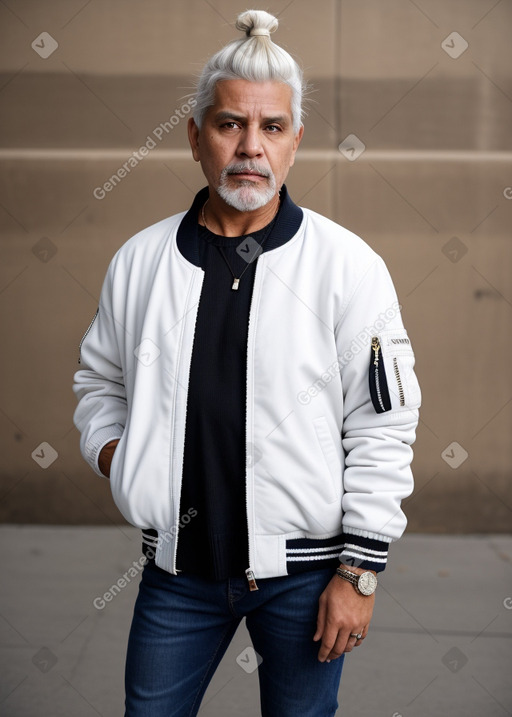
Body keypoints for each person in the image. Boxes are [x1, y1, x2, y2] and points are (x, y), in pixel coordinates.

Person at [73, 9, 421, 716]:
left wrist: (360, 573)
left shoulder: (347, 266)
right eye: (231, 124)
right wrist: (122, 455)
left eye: (271, 128)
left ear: (295, 141)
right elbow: (98, 380)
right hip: (176, 573)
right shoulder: (141, 261)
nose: (250, 148)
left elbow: (384, 423)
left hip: (304, 576)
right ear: (196, 136)